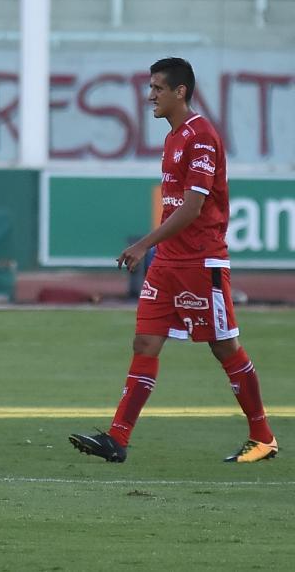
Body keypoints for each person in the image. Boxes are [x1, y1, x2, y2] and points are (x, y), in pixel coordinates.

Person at [69, 58, 279, 465]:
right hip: (167, 264)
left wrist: (142, 244)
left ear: (180, 91)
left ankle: (263, 436)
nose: (150, 95)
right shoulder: (174, 138)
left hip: (200, 263)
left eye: (157, 88)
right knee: (145, 341)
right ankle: (117, 438)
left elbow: (193, 208)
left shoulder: (200, 137)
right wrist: (155, 250)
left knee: (224, 347)